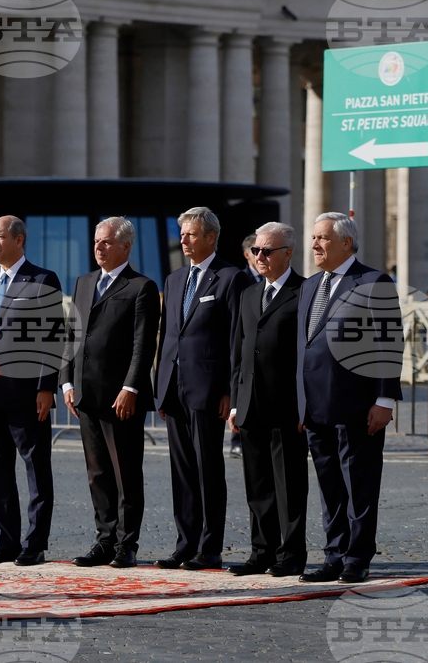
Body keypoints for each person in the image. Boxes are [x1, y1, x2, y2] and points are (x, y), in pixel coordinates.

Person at [296, 212, 402, 584]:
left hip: (359, 405)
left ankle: (358, 557)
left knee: (359, 483)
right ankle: (334, 554)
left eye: (322, 238)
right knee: (329, 486)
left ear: (346, 242)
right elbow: (303, 347)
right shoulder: (309, 286)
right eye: (313, 238)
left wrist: (385, 400)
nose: (314, 245)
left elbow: (390, 344)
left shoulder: (374, 281)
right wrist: (300, 402)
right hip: (316, 405)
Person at [153, 207, 251, 572]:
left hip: (209, 390)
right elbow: (167, 336)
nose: (184, 240)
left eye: (191, 234)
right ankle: (185, 543)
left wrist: (230, 390)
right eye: (182, 233)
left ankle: (210, 547)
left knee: (208, 469)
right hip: (174, 388)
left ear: (210, 237)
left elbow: (235, 340)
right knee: (181, 471)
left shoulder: (231, 278)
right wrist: (160, 388)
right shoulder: (175, 278)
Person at [61, 217, 160, 570]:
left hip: (121, 397)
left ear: (125, 247)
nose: (99, 247)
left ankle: (126, 544)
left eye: (106, 242)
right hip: (85, 393)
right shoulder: (84, 282)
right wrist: (67, 382)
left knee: (125, 472)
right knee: (97, 473)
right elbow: (72, 335)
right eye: (96, 242)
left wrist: (131, 386)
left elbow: (142, 344)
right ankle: (104, 541)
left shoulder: (141, 287)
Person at [0, 216, 62, 567]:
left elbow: (53, 338)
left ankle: (35, 543)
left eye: (0, 237)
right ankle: (6, 541)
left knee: (35, 469)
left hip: (29, 394)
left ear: (19, 240)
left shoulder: (42, 279)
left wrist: (46, 387)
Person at [227, 222, 308, 578]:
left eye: (266, 251)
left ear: (287, 253)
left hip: (286, 405)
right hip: (249, 404)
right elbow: (238, 352)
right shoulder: (248, 294)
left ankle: (290, 554)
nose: (259, 256)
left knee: (289, 484)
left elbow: (308, 356)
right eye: (256, 250)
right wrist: (233, 402)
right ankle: (261, 551)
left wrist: (307, 404)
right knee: (257, 485)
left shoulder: (304, 292)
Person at [229, 234, 262, 458]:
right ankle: (236, 439)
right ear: (246, 254)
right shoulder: (241, 279)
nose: (260, 255)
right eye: (255, 250)